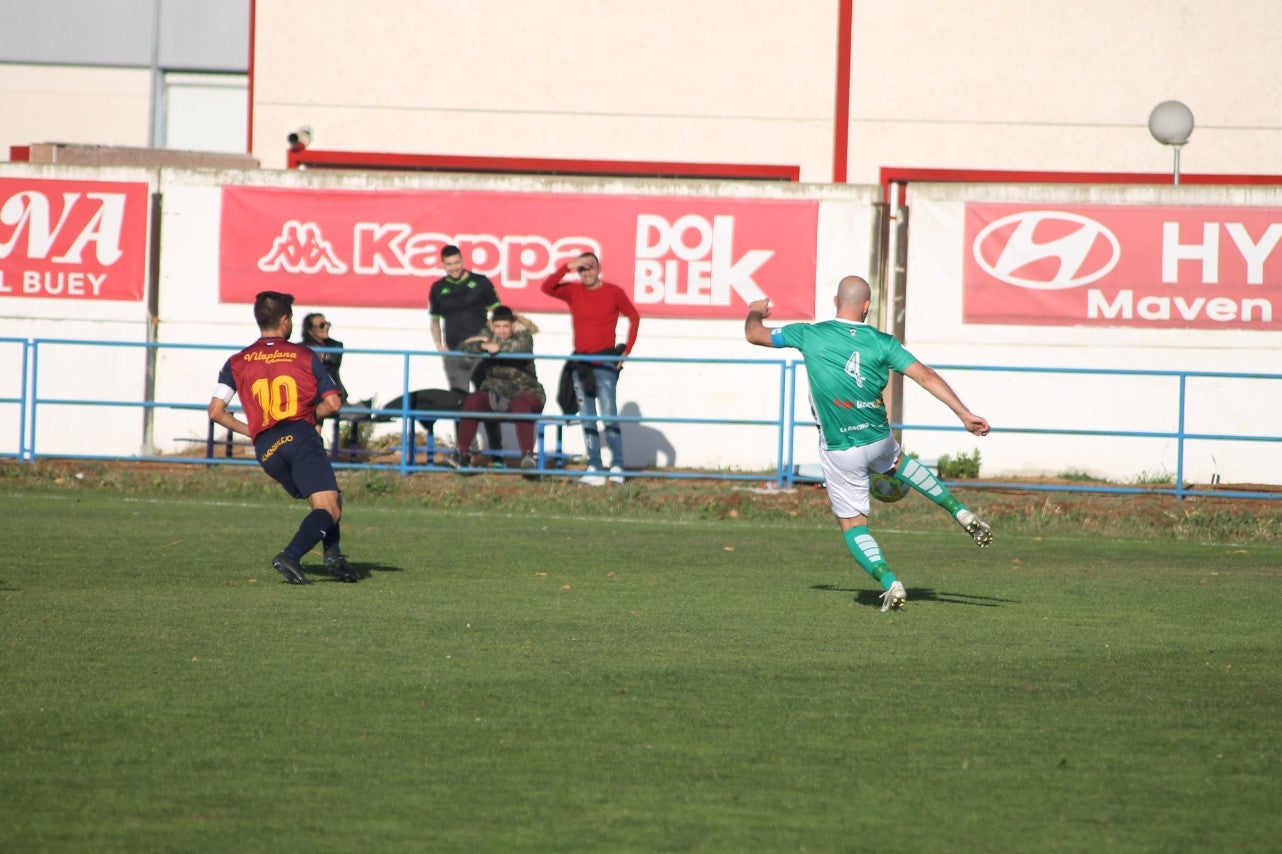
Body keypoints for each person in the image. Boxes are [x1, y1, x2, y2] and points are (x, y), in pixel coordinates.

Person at [744, 275, 992, 613]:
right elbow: (926, 376)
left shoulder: (809, 334)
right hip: (877, 436)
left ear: (836, 302)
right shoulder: (883, 342)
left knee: (853, 525)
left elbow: (754, 334)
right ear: (867, 306)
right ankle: (958, 510)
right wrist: (964, 414)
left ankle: (890, 581)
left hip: (840, 448)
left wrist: (756, 312)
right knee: (898, 463)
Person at [207, 290, 359, 585]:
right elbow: (333, 404)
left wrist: (253, 431)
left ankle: (334, 556)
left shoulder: (237, 361)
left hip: (267, 449)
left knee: (327, 499)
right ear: (285, 320)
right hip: (299, 436)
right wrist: (311, 416)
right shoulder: (304, 355)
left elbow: (215, 412)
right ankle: (290, 555)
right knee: (328, 508)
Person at [540, 251, 640, 486]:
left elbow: (634, 317)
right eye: (582, 269)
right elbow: (546, 287)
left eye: (591, 267)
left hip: (605, 362)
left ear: (599, 269)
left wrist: (626, 352)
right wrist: (567, 266)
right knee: (587, 418)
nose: (587, 272)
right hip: (580, 363)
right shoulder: (573, 291)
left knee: (608, 415)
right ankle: (594, 465)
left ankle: (617, 465)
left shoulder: (614, 292)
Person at [452, 305, 547, 475]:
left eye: (505, 326)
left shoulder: (524, 336)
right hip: (496, 394)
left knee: (520, 404)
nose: (502, 331)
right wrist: (482, 345)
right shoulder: (486, 335)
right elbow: (464, 348)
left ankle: (527, 458)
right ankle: (461, 454)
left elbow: (517, 348)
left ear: (513, 326)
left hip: (527, 392)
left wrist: (489, 343)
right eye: (498, 326)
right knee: (473, 401)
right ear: (491, 326)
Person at [430, 245, 502, 458]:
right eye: (449, 264)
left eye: (456, 263)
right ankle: (462, 452)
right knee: (458, 402)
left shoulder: (481, 282)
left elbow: (498, 314)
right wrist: (439, 344)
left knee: (486, 400)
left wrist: (491, 339)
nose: (454, 268)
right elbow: (435, 320)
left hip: (481, 354)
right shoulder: (438, 287)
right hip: (455, 355)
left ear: (462, 260)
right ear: (443, 264)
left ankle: (496, 453)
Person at [298, 311, 348, 437]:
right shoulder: (300, 349)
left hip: (328, 392)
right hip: (308, 392)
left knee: (318, 392)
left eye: (327, 324)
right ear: (310, 331)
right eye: (321, 325)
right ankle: (315, 436)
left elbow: (328, 371)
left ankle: (315, 435)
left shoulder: (335, 346)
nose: (326, 327)